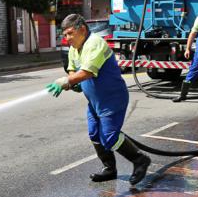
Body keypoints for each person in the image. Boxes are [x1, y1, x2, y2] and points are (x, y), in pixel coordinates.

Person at [46, 14, 151, 186]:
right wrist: (73, 81)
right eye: (64, 35)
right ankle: (109, 168)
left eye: (70, 33)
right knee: (95, 134)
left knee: (109, 137)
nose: (67, 39)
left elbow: (87, 72)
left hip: (112, 99)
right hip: (95, 102)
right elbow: (73, 70)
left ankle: (140, 160)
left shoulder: (95, 43)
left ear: (82, 29)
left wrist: (67, 82)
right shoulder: (74, 47)